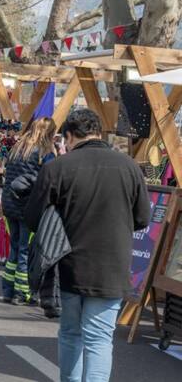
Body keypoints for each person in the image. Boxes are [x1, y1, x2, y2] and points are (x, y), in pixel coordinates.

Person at [25, 109, 150, 382]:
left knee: (71, 333)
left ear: (69, 136)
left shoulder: (57, 168)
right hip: (112, 267)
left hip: (68, 266)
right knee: (99, 339)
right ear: (99, 133)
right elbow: (143, 218)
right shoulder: (129, 167)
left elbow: (33, 219)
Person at [1, 117, 56, 305]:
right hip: (28, 207)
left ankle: (8, 290)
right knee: (26, 250)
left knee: (15, 248)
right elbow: (50, 181)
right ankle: (22, 292)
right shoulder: (45, 153)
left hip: (9, 203)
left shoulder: (17, 148)